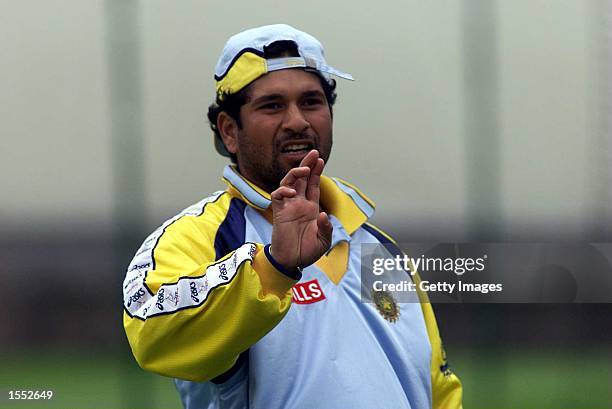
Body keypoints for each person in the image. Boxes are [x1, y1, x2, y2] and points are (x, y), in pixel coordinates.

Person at [123, 23, 462, 409]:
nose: (297, 120)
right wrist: (274, 266)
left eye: (312, 102)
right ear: (229, 130)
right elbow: (153, 339)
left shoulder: (380, 249)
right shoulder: (196, 237)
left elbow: (439, 390)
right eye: (273, 105)